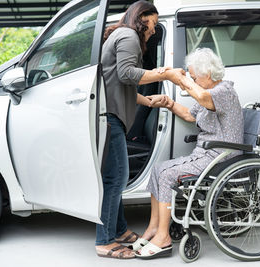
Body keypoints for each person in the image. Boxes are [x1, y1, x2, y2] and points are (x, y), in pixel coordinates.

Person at [133, 48, 244, 259]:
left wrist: (181, 80)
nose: (192, 80)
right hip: (206, 154)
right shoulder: (210, 93)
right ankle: (154, 228)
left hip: (220, 156)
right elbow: (189, 115)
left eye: (194, 76)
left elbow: (201, 97)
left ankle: (163, 238)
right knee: (158, 169)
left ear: (207, 74)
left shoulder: (223, 92)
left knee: (166, 175)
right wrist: (168, 102)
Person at [95, 0, 184, 259]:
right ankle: (105, 240)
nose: (154, 30)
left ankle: (120, 230)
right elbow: (126, 74)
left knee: (114, 178)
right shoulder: (129, 35)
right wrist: (165, 74)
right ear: (141, 17)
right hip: (110, 118)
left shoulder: (121, 35)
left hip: (111, 116)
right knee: (116, 179)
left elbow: (120, 83)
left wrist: (147, 100)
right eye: (154, 23)